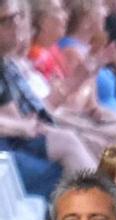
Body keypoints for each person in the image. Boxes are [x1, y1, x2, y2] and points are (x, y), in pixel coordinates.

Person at [0, 0, 93, 201]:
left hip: (11, 141)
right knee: (59, 173)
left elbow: (15, 117)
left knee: (70, 140)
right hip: (5, 152)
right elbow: (20, 122)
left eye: (19, 17)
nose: (17, 25)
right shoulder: (30, 58)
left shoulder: (6, 63)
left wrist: (25, 126)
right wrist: (21, 127)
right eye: (6, 20)